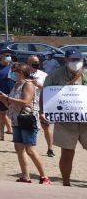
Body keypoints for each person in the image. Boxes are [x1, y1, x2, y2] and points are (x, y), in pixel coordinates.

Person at [0, 62, 50, 184]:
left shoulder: (29, 84)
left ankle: (44, 176)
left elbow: (26, 102)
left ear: (20, 72)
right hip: (16, 119)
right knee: (19, 148)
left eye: (14, 70)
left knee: (30, 149)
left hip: (27, 119)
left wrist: (8, 98)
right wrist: (4, 99)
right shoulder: (16, 84)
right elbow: (10, 104)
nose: (11, 73)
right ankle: (25, 176)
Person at [41, 49, 87, 187]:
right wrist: (42, 112)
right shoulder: (55, 76)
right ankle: (66, 183)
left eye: (78, 59)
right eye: (72, 59)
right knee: (67, 153)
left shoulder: (85, 73)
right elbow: (45, 94)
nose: (76, 62)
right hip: (65, 121)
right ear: (65, 60)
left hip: (85, 121)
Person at [26, 55, 55, 157]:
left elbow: (49, 89)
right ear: (28, 63)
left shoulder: (43, 75)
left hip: (41, 104)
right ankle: (29, 147)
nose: (36, 63)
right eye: (34, 62)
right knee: (29, 126)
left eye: (37, 62)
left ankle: (50, 149)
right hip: (28, 104)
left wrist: (38, 84)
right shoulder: (24, 73)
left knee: (46, 126)